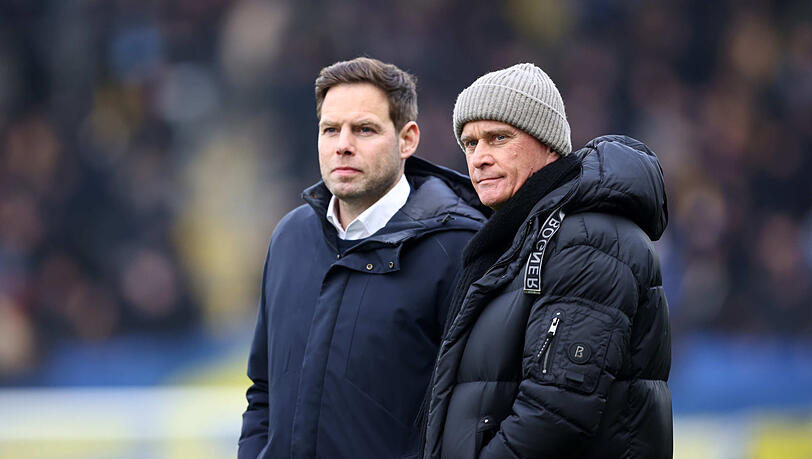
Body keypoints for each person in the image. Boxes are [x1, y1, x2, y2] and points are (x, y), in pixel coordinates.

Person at [238, 57, 486, 459]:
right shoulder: (289, 237)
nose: (343, 145)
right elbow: (262, 391)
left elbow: (475, 410)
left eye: (364, 129)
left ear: (407, 139)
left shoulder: (459, 247)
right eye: (330, 129)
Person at [421, 63, 673, 458]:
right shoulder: (517, 239)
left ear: (548, 143)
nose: (479, 157)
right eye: (469, 143)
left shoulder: (588, 238)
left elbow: (556, 411)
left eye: (498, 138)